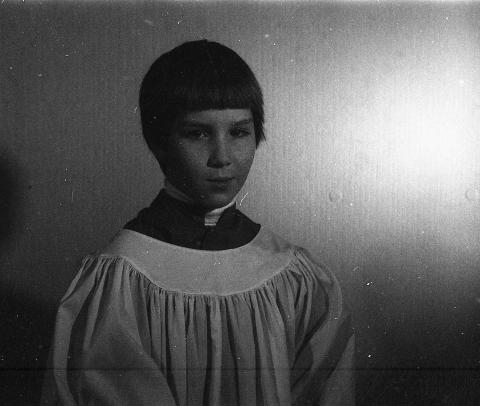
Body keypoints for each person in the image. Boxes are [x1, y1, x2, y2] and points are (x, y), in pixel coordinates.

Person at [42, 40, 354, 405]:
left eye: (239, 132)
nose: (222, 157)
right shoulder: (122, 278)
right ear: (159, 142)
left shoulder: (293, 275)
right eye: (198, 133)